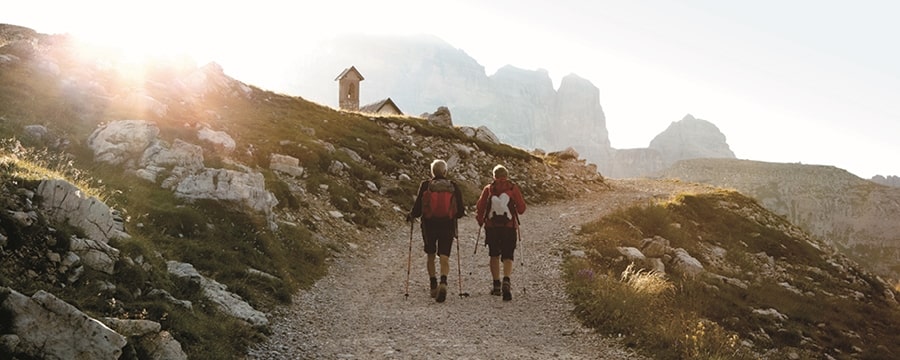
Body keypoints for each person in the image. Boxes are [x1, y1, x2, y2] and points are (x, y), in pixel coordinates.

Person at [407, 159, 465, 303]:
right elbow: (460, 212)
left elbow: (418, 208)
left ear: (432, 172)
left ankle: (433, 285)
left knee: (431, 255)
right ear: (445, 172)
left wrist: (411, 215)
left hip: (429, 225)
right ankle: (443, 282)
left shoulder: (426, 185)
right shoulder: (453, 186)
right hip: (448, 225)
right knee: (444, 256)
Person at [476, 164, 526, 301]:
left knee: (494, 254)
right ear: (507, 176)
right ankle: (507, 281)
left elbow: (480, 207)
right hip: (509, 227)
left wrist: (480, 221)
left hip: (492, 227)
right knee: (508, 255)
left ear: (494, 176)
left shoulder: (489, 189)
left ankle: (496, 285)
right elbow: (521, 208)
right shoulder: (513, 188)